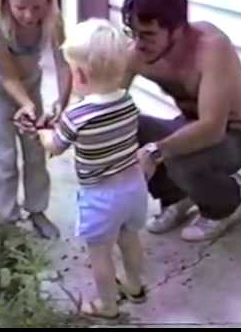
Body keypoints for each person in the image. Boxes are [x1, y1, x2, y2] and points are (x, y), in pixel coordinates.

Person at [121, 0, 241, 242]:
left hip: (231, 136)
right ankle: (176, 198)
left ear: (178, 29)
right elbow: (108, 103)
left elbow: (212, 129)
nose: (138, 43)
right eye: (133, 33)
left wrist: (155, 150)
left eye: (147, 34)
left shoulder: (211, 48)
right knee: (126, 126)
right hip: (187, 123)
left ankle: (225, 207)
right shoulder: (137, 52)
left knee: (177, 156)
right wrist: (65, 124)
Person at [38, 18, 148, 319]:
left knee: (100, 253)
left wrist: (43, 135)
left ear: (81, 75)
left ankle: (108, 306)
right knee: (130, 238)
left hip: (101, 195)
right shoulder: (127, 101)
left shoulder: (77, 115)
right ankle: (136, 287)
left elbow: (56, 147)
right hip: (134, 187)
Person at [0, 0, 71, 239]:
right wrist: (28, 105)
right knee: (3, 156)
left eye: (37, 7)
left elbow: (64, 65)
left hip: (31, 83)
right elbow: (8, 77)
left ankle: (37, 210)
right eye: (21, 7)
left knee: (35, 152)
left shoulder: (54, 20)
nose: (30, 16)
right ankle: (7, 221)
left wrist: (60, 105)